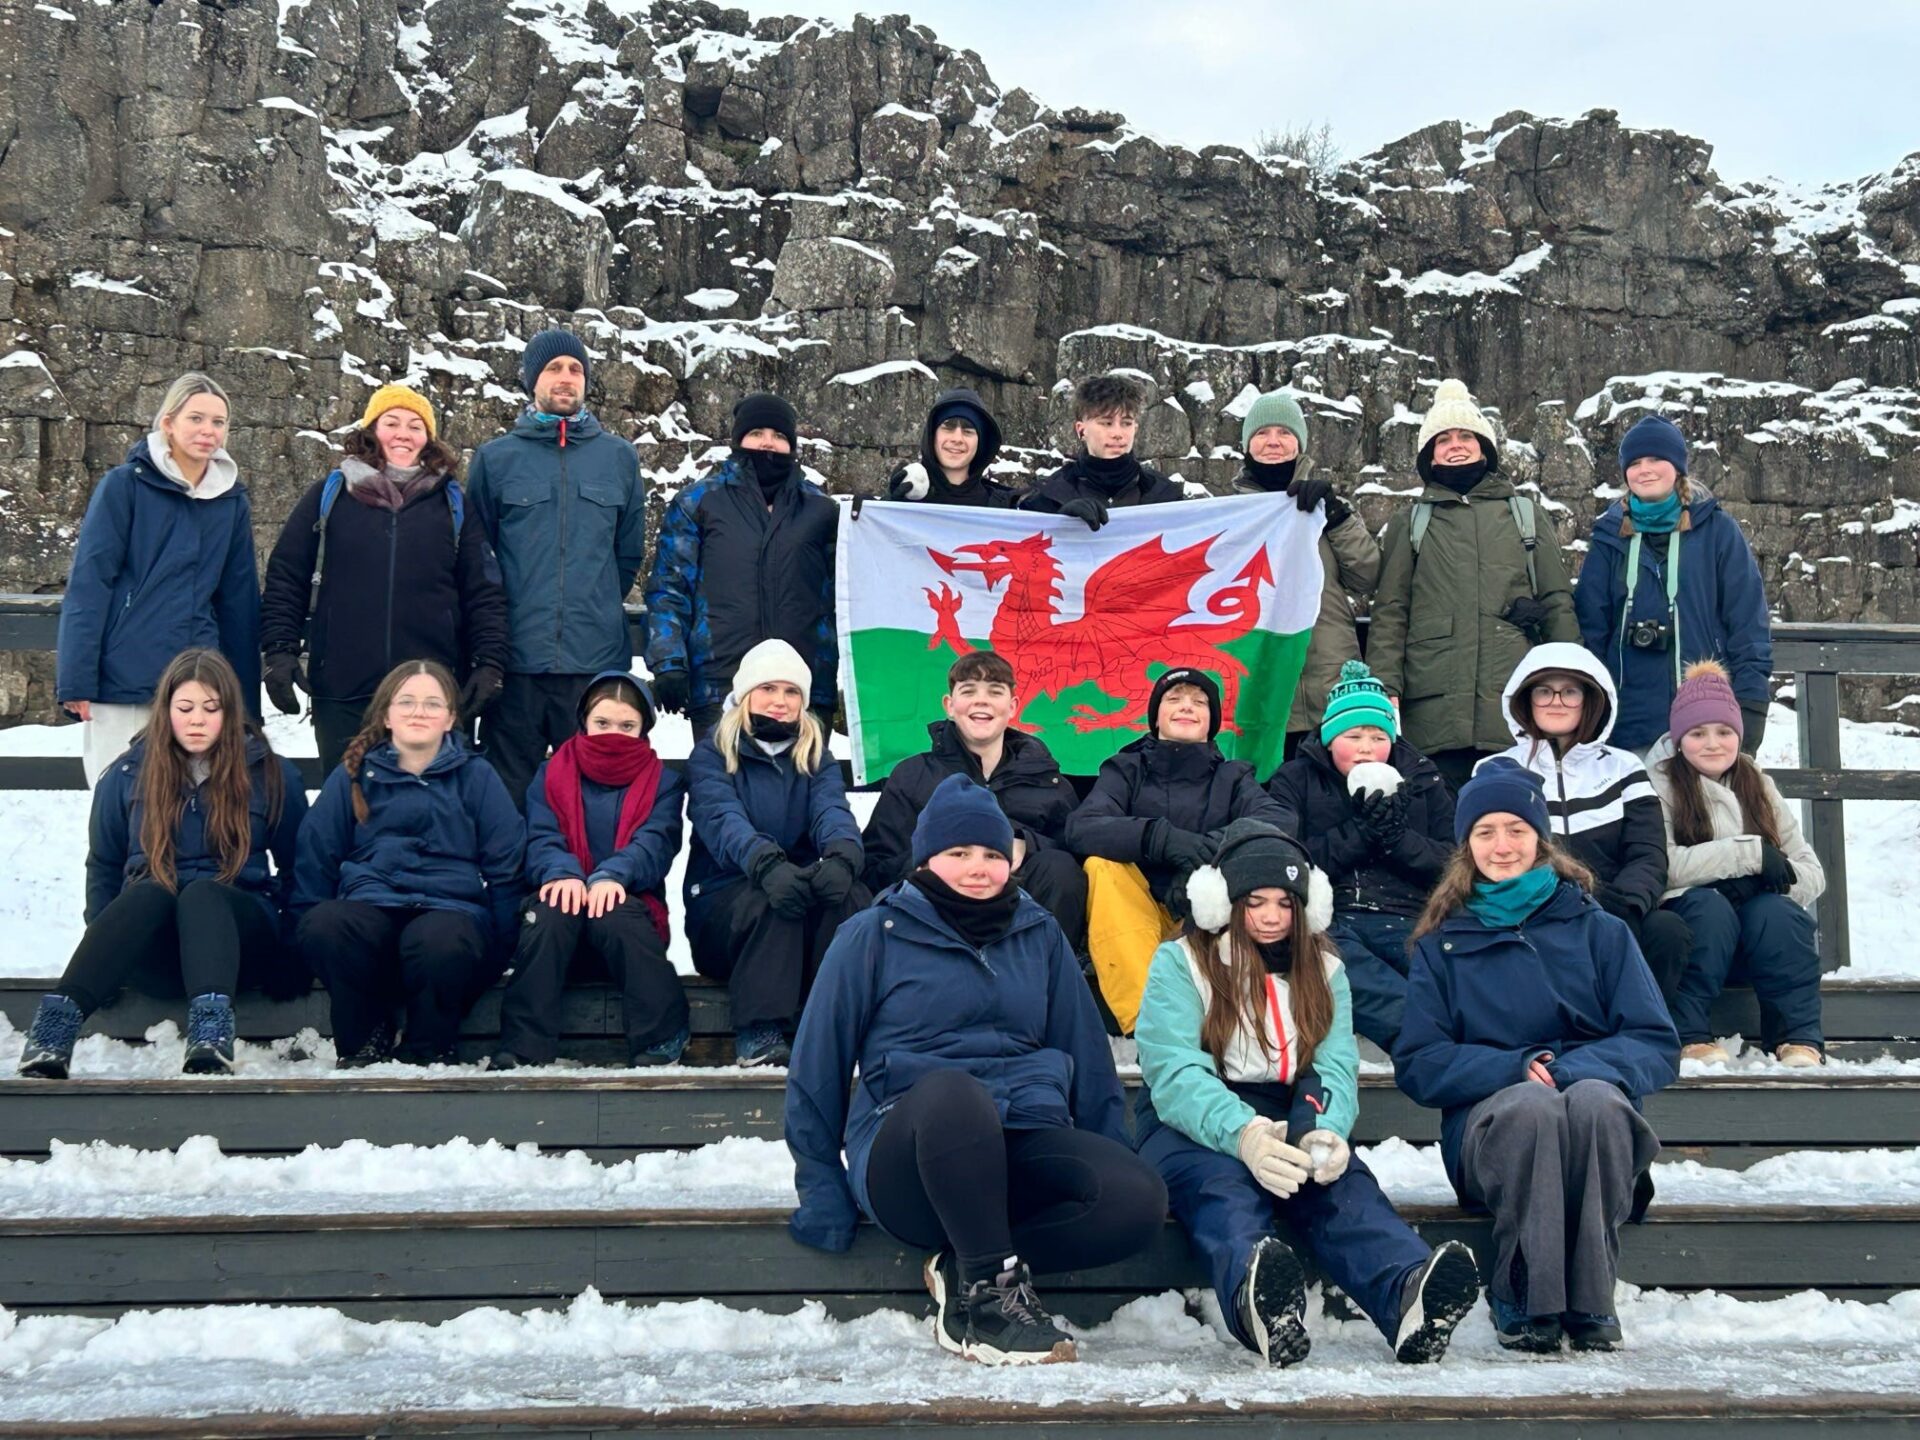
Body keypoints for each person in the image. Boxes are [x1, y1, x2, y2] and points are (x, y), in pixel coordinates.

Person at [786, 774, 1168, 1366]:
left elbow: (1088, 1058)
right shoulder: (873, 934)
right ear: (926, 858)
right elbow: (818, 1063)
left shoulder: (1039, 933)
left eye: (992, 854)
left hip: (1022, 1134)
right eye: (959, 853)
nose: (978, 868)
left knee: (1138, 1199)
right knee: (956, 1096)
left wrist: (1105, 1157)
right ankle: (989, 1304)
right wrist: (820, 1184)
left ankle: (967, 1262)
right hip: (910, 1157)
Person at [1133, 820, 1480, 1367]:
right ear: (1222, 902)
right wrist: (1244, 1134)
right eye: (1255, 902)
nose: (1272, 917)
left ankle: (1409, 1295)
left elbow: (1334, 1065)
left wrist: (1324, 1130)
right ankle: (1262, 1307)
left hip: (1292, 1107)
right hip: (1190, 1120)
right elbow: (1173, 1071)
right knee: (1224, 1190)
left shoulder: (1327, 968)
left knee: (1342, 1189)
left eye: (1285, 903)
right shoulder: (1180, 962)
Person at [1395, 761, 1679, 1354]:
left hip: (1592, 1130)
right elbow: (1421, 1061)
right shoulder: (1442, 944)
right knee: (1530, 1106)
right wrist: (1513, 1069)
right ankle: (1523, 1293)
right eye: (1485, 832)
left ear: (1541, 839)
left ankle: (1592, 1299)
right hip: (1493, 1133)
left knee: (1597, 1101)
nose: (1502, 846)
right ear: (1467, 846)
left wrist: (1568, 1071)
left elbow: (1653, 1042)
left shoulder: (1600, 931)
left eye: (1516, 830)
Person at [18, 650, 305, 1079]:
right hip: (157, 950)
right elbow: (104, 866)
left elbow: (300, 868)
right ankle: (55, 1030)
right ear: (166, 710)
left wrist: (293, 949)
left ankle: (211, 1034)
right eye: (184, 708)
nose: (197, 720)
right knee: (149, 892)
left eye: (211, 708)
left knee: (203, 894)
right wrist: (105, 950)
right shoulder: (126, 774)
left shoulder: (270, 774)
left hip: (239, 945)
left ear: (230, 711)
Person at [260, 384, 509, 775]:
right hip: (343, 689)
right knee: (347, 798)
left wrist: (489, 662)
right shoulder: (331, 495)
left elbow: (484, 592)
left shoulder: (452, 504)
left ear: (428, 438)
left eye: (415, 426)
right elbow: (286, 577)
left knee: (431, 802)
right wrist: (279, 650)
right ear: (372, 430)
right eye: (391, 422)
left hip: (430, 692)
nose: (402, 434)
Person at [293, 661, 526, 1066]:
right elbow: (317, 853)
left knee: (439, 939)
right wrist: (303, 931)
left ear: (450, 718)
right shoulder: (354, 775)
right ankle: (365, 1036)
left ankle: (430, 1044)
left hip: (450, 913)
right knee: (327, 924)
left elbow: (506, 864)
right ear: (386, 714)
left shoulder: (476, 776)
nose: (419, 712)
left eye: (433, 703)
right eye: (406, 702)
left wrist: (502, 949)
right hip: (370, 908)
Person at [1366, 379, 1579, 793]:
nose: (1456, 446)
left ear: (1484, 447)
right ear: (1430, 454)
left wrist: (1570, 682)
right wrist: (1384, 688)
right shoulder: (1410, 522)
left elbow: (1557, 601)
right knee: (1438, 820)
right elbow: (1391, 612)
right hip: (1432, 711)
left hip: (1512, 704)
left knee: (1513, 818)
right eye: (1443, 439)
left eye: (1466, 436)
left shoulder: (1525, 515)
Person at [467, 330, 648, 805]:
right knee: (504, 796)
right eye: (553, 368)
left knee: (592, 798)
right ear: (532, 380)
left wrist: (594, 602)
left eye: (575, 369)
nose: (566, 378)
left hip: (594, 664)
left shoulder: (619, 458)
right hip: (516, 662)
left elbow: (627, 554)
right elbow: (479, 558)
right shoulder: (496, 459)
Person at [56, 373, 261, 786]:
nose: (208, 430)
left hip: (199, 682)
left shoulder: (229, 500)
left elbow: (238, 602)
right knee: (120, 797)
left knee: (196, 803)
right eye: (196, 418)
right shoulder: (124, 486)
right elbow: (90, 585)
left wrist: (245, 703)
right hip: (124, 677)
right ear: (168, 423)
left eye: (218, 422)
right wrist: (76, 679)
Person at [1066, 668, 1288, 1033]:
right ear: (1156, 717)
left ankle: (1224, 1023)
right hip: (1136, 909)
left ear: (1211, 723)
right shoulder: (1125, 769)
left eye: (1199, 702)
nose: (1187, 707)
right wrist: (1164, 840)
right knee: (1102, 866)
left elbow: (1278, 820)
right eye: (1174, 699)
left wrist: (1204, 859)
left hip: (1205, 911)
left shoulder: (1233, 776)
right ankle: (1149, 1025)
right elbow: (1082, 827)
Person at [492, 671, 688, 1070]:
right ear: (584, 722)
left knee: (613, 910)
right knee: (552, 909)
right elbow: (541, 836)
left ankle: (661, 1034)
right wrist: (563, 873)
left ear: (643, 729)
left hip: (626, 915)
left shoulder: (663, 782)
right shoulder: (550, 773)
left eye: (626, 726)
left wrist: (611, 876)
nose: (613, 734)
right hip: (562, 921)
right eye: (602, 723)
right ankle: (523, 1045)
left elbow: (655, 843)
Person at [683, 640, 866, 1066]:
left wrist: (841, 856)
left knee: (850, 898)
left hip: (793, 889)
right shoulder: (713, 753)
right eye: (768, 689)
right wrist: (764, 863)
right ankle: (759, 1028)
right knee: (770, 901)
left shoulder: (814, 755)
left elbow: (831, 811)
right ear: (747, 694)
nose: (780, 701)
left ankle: (839, 1021)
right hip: (725, 901)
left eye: (791, 692)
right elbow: (722, 818)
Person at [1483, 644, 1690, 1000]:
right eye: (1544, 691)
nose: (1556, 701)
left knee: (1666, 930)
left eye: (1570, 691)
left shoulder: (1624, 767)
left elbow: (1647, 852)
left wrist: (1624, 904)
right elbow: (1489, 856)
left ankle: (1641, 1021)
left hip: (1615, 904)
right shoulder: (1496, 770)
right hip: (1531, 905)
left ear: (1590, 699)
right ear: (1526, 699)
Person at [1644, 661, 1826, 1067]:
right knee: (1708, 906)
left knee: (1777, 912)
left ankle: (1797, 1037)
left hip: (1758, 942)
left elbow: (1812, 872)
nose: (1713, 744)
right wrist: (1748, 856)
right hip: (1698, 936)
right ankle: (1690, 1034)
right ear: (1679, 739)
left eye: (1724, 732)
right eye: (1698, 733)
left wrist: (1765, 883)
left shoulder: (1757, 783)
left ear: (1739, 735)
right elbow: (1663, 865)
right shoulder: (1658, 784)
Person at [1265, 660, 1453, 1051]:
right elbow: (1287, 860)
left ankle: (1438, 1038)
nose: (1367, 747)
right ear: (1330, 738)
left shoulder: (1422, 778)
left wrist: (1397, 838)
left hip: (1410, 916)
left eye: (1378, 736)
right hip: (1331, 918)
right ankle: (1425, 1038)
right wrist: (1360, 833)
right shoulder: (1295, 779)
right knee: (1335, 960)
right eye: (1353, 736)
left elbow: (1453, 864)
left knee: (1443, 971)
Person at [1575, 414, 1774, 754]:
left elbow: (1747, 622)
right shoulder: (1609, 536)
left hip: (1706, 724)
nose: (1644, 470)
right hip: (1625, 724)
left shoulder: (1717, 531)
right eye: (1634, 463)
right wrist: (1590, 706)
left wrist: (1752, 703)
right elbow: (1590, 628)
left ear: (1677, 466)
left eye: (1656, 459)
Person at [646, 392, 840, 737]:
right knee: (719, 773)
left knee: (805, 775)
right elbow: (670, 586)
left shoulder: (822, 510)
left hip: (802, 686)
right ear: (738, 439)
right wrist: (669, 659)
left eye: (779, 435)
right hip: (721, 683)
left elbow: (854, 588)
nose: (768, 443)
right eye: (757, 433)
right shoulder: (699, 501)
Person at [861, 651, 1086, 944]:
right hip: (935, 920)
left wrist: (1026, 844)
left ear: (1013, 706)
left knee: (1060, 868)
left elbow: (1077, 850)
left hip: (1022, 919)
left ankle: (1043, 966)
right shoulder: (913, 775)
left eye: (995, 691)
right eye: (968, 691)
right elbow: (877, 867)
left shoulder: (1047, 780)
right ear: (949, 705)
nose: (982, 701)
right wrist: (944, 857)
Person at [1232, 391, 1380, 757]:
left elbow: (1367, 576)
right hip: (1259, 684)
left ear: (1299, 443)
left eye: (1284, 432)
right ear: (1247, 445)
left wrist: (1336, 518)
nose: (1273, 442)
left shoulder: (1329, 507)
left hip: (1327, 684)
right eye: (1262, 433)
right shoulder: (1229, 513)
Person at [1016, 373, 1184, 527]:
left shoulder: (1166, 497)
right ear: (1081, 430)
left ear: (1135, 429)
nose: (1117, 433)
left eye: (1126, 423)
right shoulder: (1047, 497)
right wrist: (1059, 523)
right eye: (1106, 423)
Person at [883, 387, 1017, 506]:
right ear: (932, 436)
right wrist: (887, 507)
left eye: (968, 431)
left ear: (980, 443)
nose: (957, 439)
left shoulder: (1004, 508)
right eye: (948, 428)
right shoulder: (904, 499)